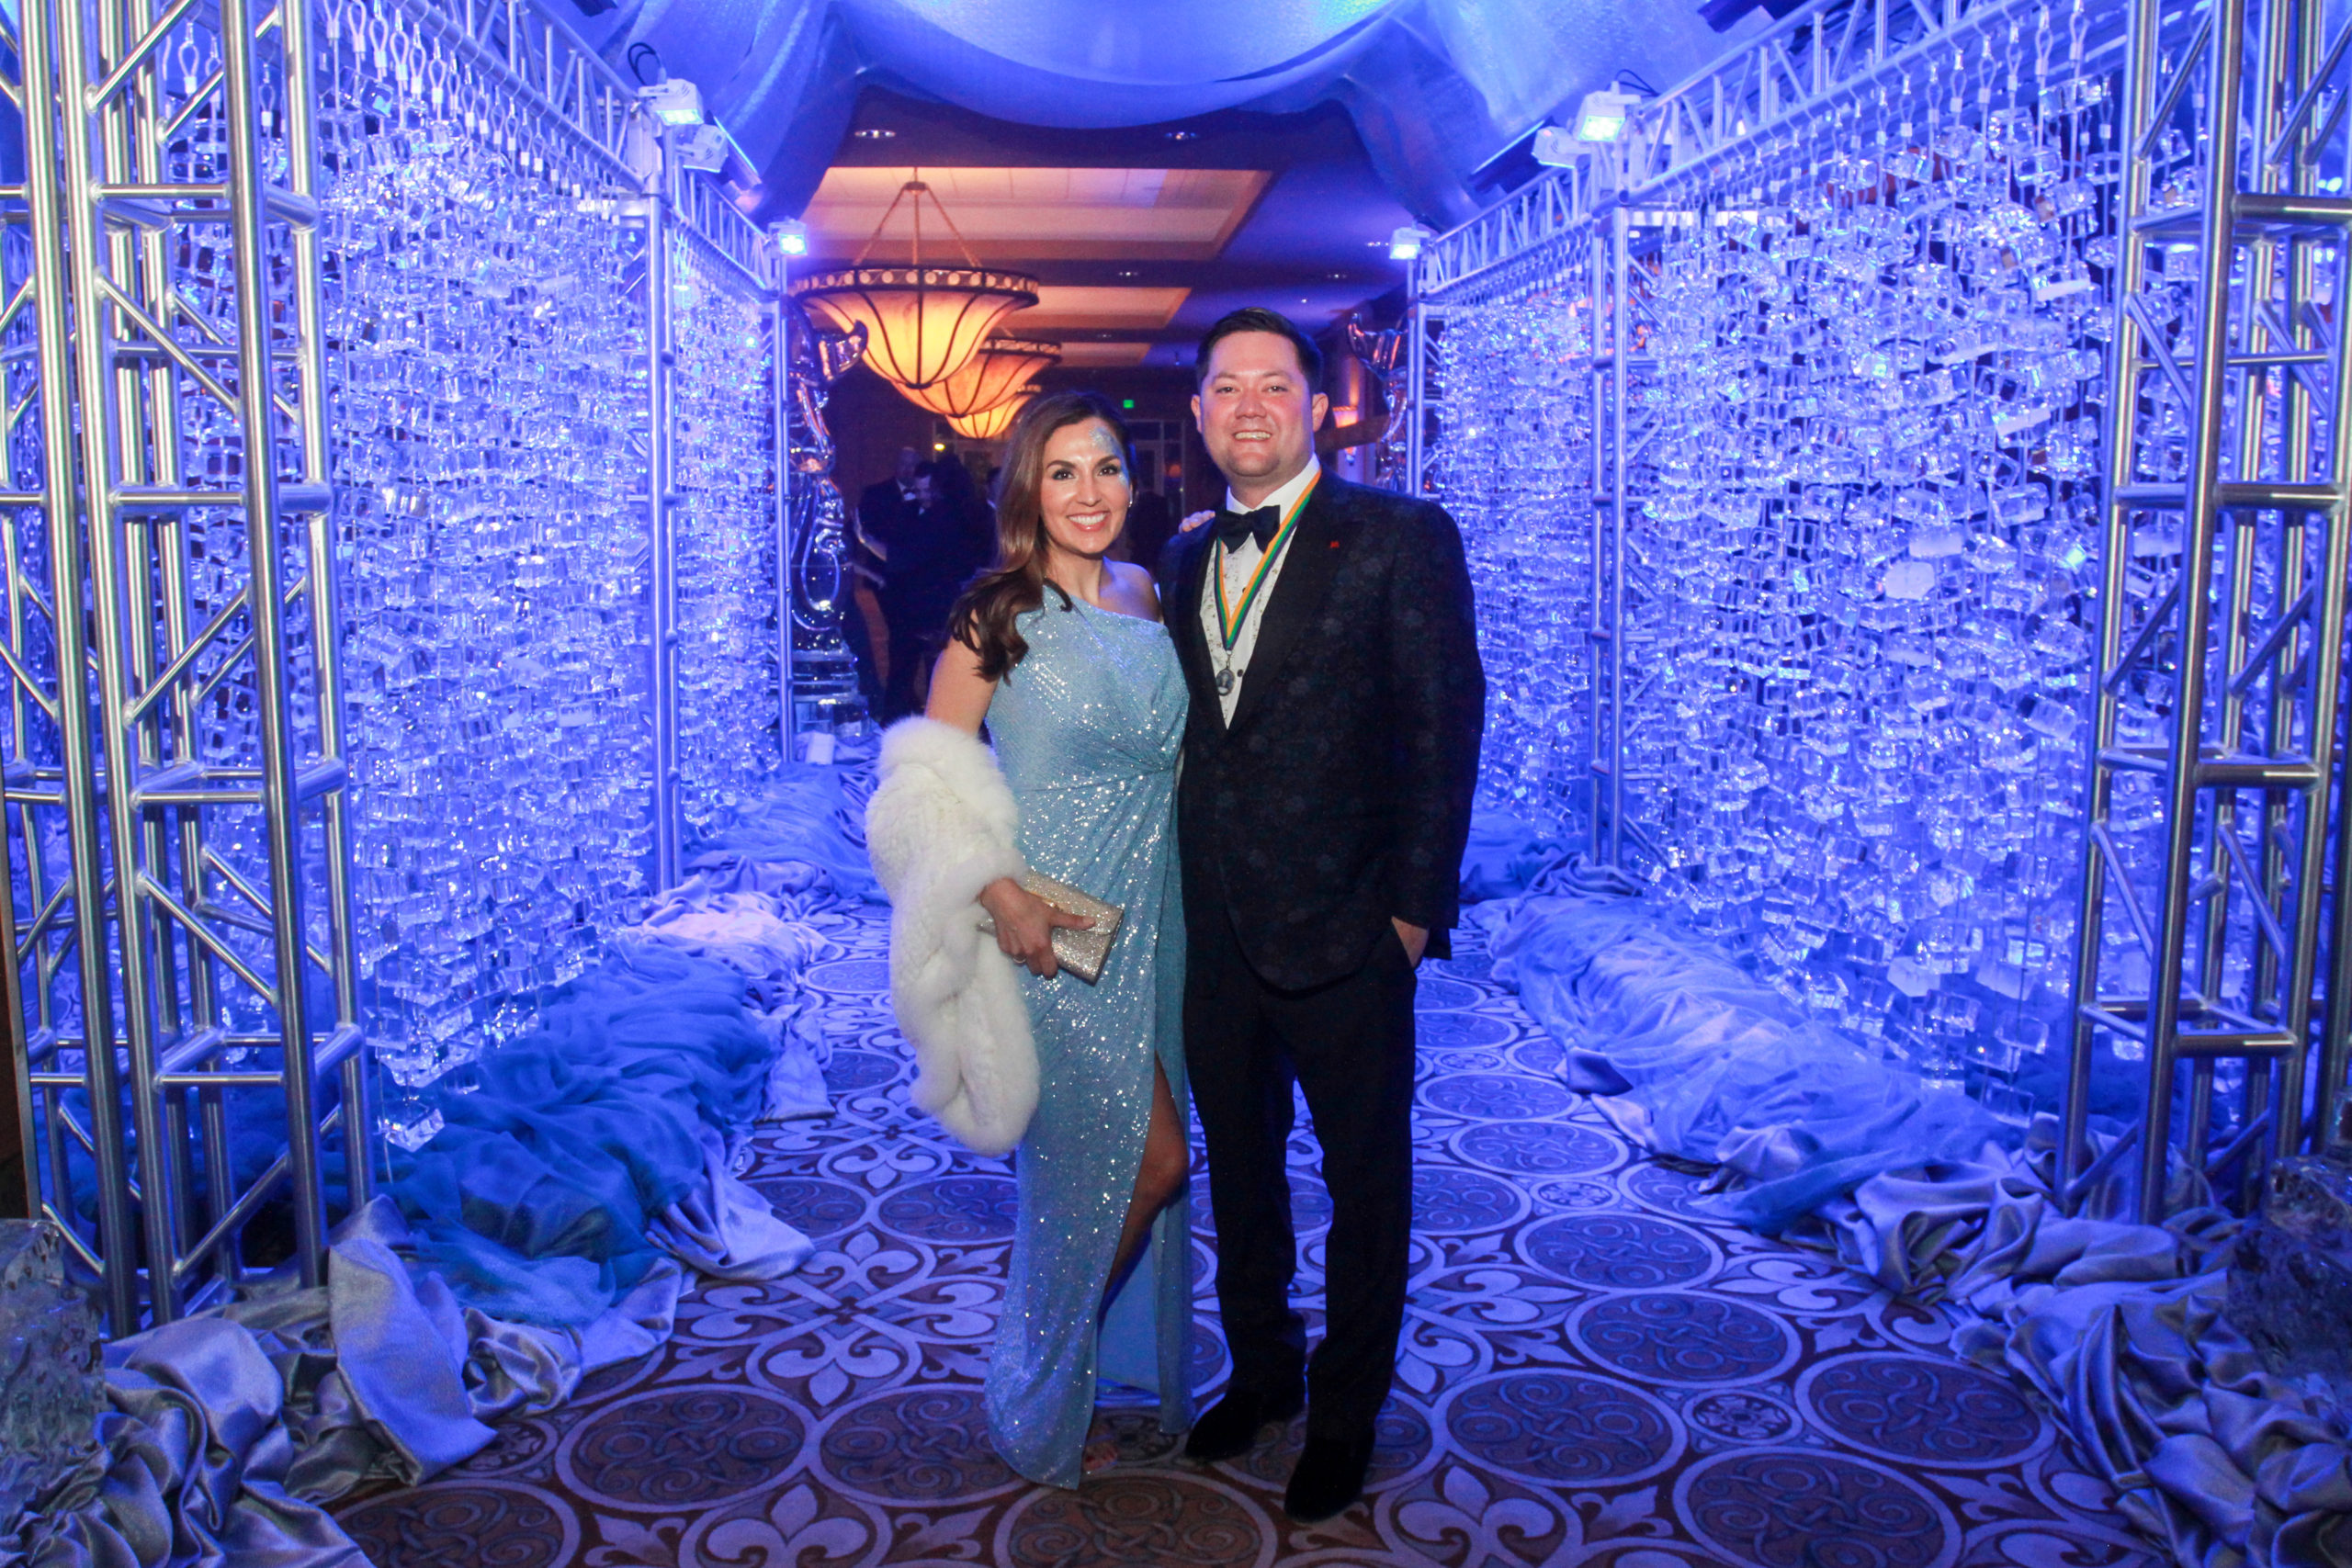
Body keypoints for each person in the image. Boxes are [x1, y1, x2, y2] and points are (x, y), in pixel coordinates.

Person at [1156, 308, 1484, 1522]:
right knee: (1240, 1177)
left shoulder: (1400, 535)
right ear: (1198, 412)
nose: (1249, 406)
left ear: (1316, 406)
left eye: (1274, 385)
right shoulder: (1182, 558)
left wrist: (1412, 914)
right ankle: (1263, 1373)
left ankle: (1345, 1414)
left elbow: (1444, 726)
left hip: (1351, 926)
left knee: (1366, 1186)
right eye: (1226, 387)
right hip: (1215, 928)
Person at [863, 390, 1194, 1488]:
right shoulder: (994, 614)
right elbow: (918, 786)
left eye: (1106, 468)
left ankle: (1088, 1371)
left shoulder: (1148, 592)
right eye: (1062, 473)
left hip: (1160, 918)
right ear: (1027, 491)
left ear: (1132, 483)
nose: (1088, 492)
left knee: (1105, 1169)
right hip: (1055, 929)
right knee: (1141, 1162)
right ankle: (1034, 1379)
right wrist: (999, 895)